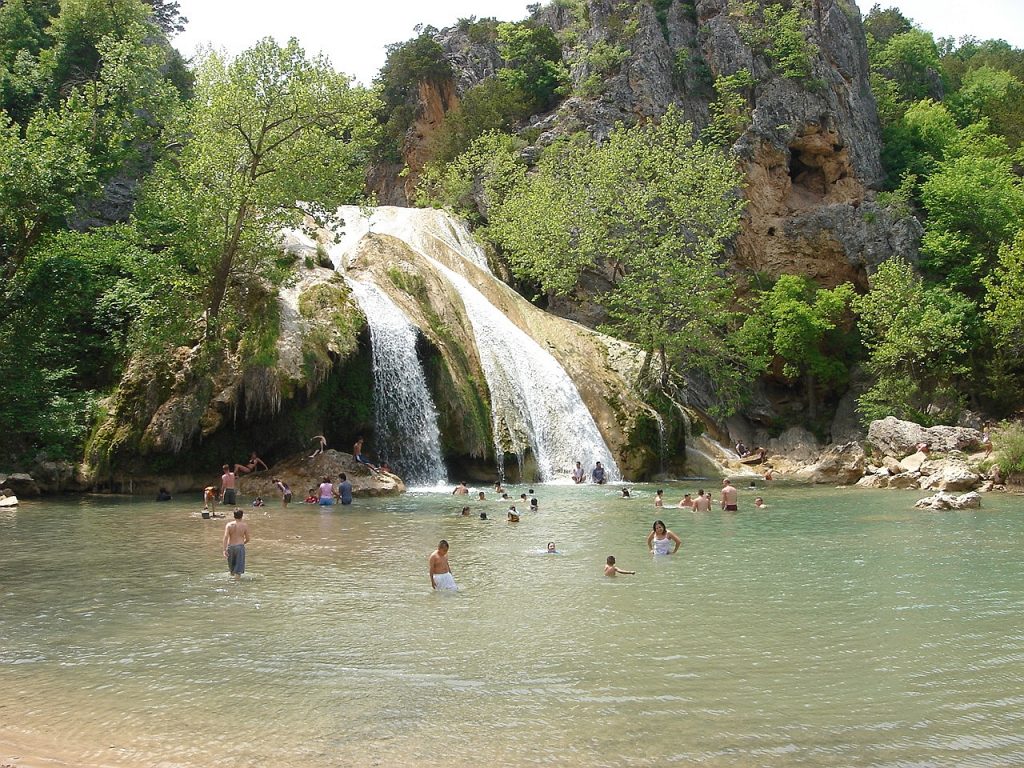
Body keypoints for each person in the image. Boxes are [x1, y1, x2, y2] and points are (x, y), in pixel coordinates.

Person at [223, 509, 251, 579]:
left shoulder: (229, 525)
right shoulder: (244, 525)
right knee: (238, 571)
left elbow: (225, 537)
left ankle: (232, 583)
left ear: (234, 516)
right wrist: (242, 543)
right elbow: (248, 539)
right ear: (242, 516)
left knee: (232, 569)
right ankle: (237, 586)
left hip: (230, 547)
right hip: (240, 547)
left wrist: (224, 549)